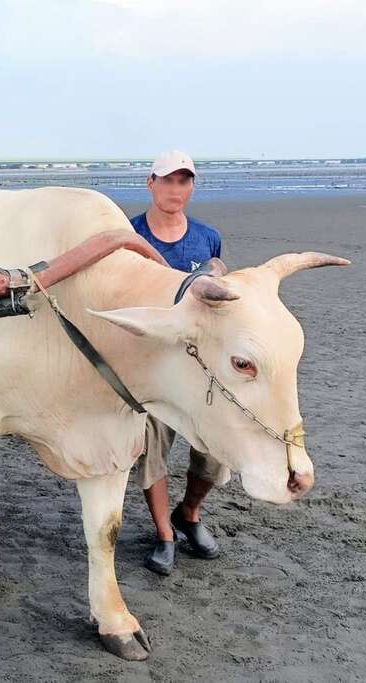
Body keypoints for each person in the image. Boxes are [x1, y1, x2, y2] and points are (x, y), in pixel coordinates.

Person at [130, 150, 227, 575]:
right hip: (149, 363)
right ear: (150, 183)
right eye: (167, 181)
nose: (175, 189)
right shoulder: (128, 233)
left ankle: (188, 515)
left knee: (214, 451)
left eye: (183, 181)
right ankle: (164, 535)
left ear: (192, 187)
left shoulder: (208, 237)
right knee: (153, 450)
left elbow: (218, 294)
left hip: (198, 364)